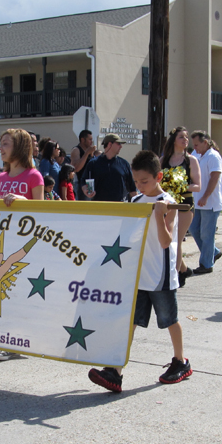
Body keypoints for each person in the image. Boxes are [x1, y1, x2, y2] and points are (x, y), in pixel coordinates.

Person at [88, 150, 191, 393]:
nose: (140, 186)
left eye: (144, 181)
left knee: (169, 320)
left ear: (158, 176)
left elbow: (166, 241)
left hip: (160, 275)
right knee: (130, 322)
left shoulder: (169, 202)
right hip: (138, 275)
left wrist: (159, 215)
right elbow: (126, 237)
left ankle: (181, 361)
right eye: (136, 182)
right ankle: (115, 371)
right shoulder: (134, 202)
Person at [0, 128, 44, 361]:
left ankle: (26, 338)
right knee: (8, 293)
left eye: (6, 144)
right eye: (1, 144)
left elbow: (43, 212)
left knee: (25, 294)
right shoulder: (0, 178)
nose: (1, 148)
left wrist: (24, 201)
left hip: (28, 245)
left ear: (19, 147)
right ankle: (11, 341)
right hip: (6, 243)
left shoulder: (34, 176)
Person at [159, 127, 201, 284]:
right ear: (174, 140)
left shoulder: (191, 160)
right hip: (167, 204)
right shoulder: (163, 160)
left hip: (184, 204)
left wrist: (180, 186)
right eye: (181, 137)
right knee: (167, 239)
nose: (185, 140)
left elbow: (198, 186)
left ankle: (174, 276)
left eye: (187, 137)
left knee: (176, 239)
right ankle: (184, 270)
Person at [187, 130, 222, 274]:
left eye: (197, 144)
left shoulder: (214, 156)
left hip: (210, 202)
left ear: (205, 143)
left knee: (207, 235)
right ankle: (213, 252)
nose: (194, 148)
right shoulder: (195, 155)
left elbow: (215, 177)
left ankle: (206, 264)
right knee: (194, 229)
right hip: (197, 201)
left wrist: (205, 196)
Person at [81, 133, 136, 202]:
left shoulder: (124, 164)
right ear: (110, 144)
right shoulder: (93, 163)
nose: (121, 146)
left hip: (119, 206)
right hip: (99, 206)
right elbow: (84, 181)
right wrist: (86, 190)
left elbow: (132, 188)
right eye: (118, 144)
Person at [71, 129, 96, 200]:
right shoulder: (76, 150)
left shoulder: (90, 151)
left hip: (91, 183)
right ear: (83, 140)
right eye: (89, 139)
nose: (91, 142)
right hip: (81, 184)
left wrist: (91, 154)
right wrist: (87, 153)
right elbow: (76, 168)